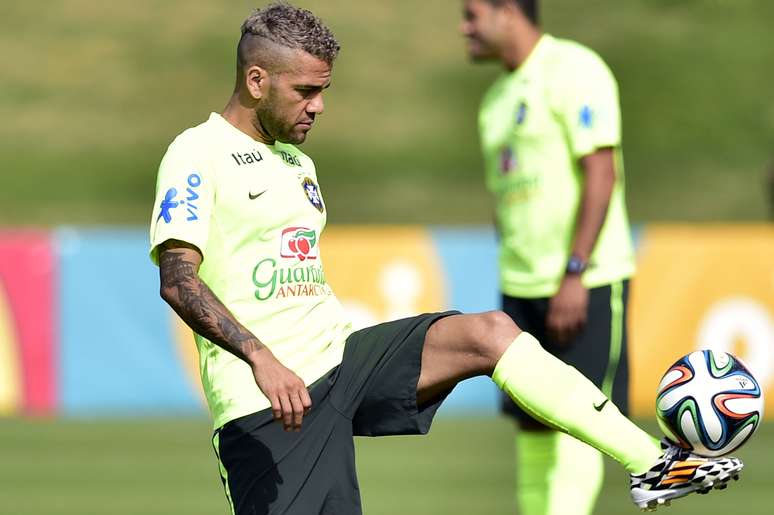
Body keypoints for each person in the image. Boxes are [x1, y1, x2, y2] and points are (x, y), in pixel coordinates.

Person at [149, 3, 742, 514]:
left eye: (324, 89)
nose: (319, 106)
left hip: (341, 361)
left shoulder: (296, 163)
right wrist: (261, 357)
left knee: (488, 333)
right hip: (268, 403)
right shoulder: (197, 152)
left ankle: (654, 462)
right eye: (306, 90)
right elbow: (178, 281)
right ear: (256, 81)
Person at [461, 1, 639, 513]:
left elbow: (602, 173)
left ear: (509, 11)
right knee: (533, 432)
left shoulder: (575, 69)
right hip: (521, 288)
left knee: (582, 425)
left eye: (472, 15)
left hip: (583, 282)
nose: (463, 28)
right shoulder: (494, 100)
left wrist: (575, 273)